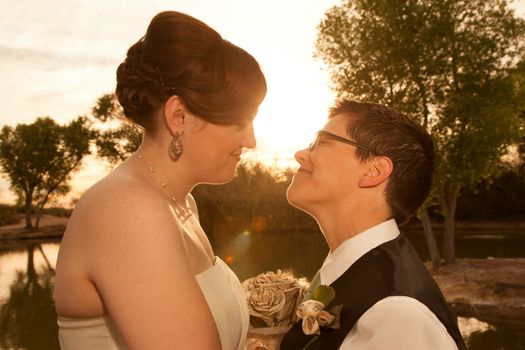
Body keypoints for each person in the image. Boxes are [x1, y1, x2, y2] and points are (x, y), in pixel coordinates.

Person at [54, 11, 266, 350]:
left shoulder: (180, 204)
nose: (251, 141)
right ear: (178, 116)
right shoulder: (127, 210)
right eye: (240, 123)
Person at [281, 100, 466, 349]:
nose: (301, 154)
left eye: (322, 142)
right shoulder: (348, 272)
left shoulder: (398, 315)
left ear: (374, 171)